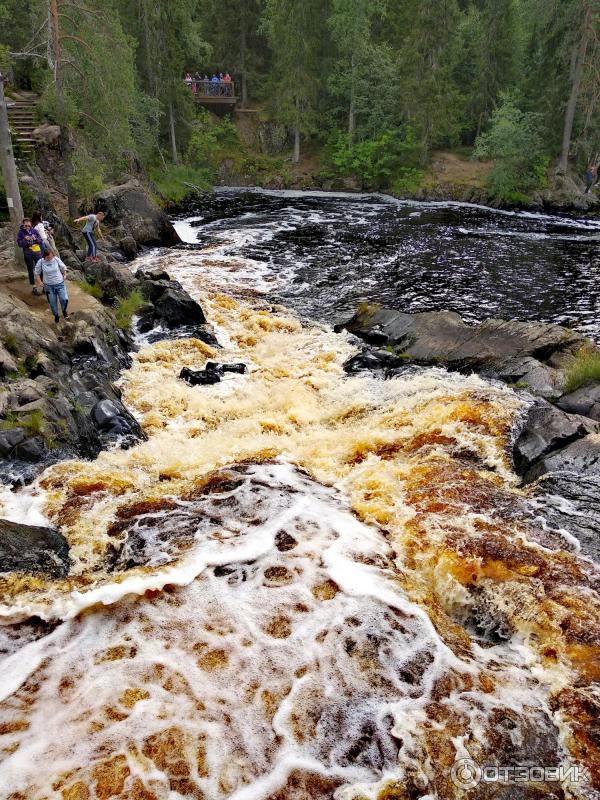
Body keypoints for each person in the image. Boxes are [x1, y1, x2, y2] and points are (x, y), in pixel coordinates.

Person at [34, 249, 69, 323]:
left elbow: (63, 267)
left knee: (64, 299)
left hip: (60, 283)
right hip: (49, 286)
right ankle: (56, 315)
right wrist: (40, 282)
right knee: (52, 303)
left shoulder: (56, 259)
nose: (50, 259)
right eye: (48, 257)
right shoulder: (40, 262)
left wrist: (65, 274)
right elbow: (36, 273)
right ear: (45, 256)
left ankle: (64, 311)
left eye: (51, 257)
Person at [17, 218, 44, 288]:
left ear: (31, 224)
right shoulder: (20, 232)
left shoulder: (34, 231)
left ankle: (43, 284)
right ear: (23, 225)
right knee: (30, 269)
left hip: (37, 252)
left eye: (29, 225)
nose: (28, 227)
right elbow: (20, 244)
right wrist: (25, 239)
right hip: (27, 253)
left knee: (40, 267)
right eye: (26, 225)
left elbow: (41, 241)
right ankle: (33, 286)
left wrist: (36, 239)